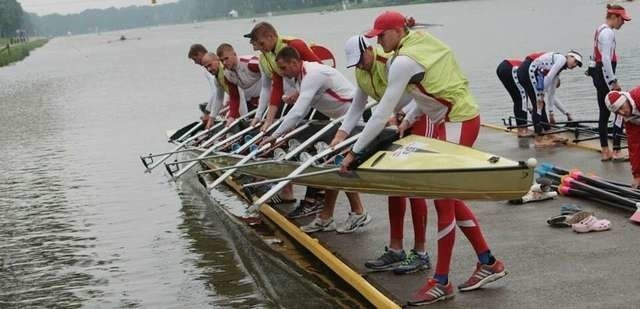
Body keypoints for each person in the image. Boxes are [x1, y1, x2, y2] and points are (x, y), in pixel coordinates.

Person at [339, 11, 507, 305]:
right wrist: (410, 118)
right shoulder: (418, 40)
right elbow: (430, 85)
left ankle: (441, 281)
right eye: (375, 37)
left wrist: (354, 151)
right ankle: (488, 262)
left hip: (459, 119)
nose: (378, 41)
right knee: (450, 200)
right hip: (451, 119)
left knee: (442, 201)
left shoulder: (402, 61)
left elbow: (381, 113)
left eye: (381, 35)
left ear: (396, 31)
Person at [338, 34, 431, 273]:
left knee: (414, 188)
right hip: (395, 122)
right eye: (355, 63)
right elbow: (356, 109)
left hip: (419, 117)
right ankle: (396, 249)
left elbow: (421, 93)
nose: (359, 65)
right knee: (395, 187)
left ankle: (421, 253)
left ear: (369, 49)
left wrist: (403, 115)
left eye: (361, 59)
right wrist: (340, 135)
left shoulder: (392, 62)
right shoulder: (361, 72)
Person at [259, 46, 372, 233]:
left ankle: (357, 212)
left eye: (284, 68)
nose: (282, 73)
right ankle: (327, 217)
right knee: (330, 167)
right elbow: (301, 103)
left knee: (339, 167)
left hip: (357, 116)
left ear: (295, 63)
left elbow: (298, 112)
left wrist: (275, 135)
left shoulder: (313, 74)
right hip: (341, 121)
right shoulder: (300, 77)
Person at [244, 21, 327, 215]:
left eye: (261, 43)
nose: (258, 48)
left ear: (271, 37)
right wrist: (267, 121)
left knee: (312, 149)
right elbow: (276, 89)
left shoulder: (294, 45)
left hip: (321, 102)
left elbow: (320, 71)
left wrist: (299, 95)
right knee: (289, 144)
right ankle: (292, 192)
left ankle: (313, 198)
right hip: (302, 102)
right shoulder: (270, 56)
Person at [589, 4, 631, 161]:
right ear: (614, 17)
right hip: (606, 74)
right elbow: (606, 58)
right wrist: (613, 81)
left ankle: (605, 151)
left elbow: (595, 57)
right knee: (621, 110)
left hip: (599, 73)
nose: (623, 23)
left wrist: (594, 75)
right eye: (622, 19)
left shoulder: (599, 29)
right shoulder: (607, 33)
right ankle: (617, 151)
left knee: (604, 113)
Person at [517, 50, 583, 147]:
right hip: (527, 70)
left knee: (540, 104)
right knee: (538, 104)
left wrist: (551, 113)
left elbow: (552, 92)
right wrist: (542, 93)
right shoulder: (561, 59)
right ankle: (538, 140)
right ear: (569, 56)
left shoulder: (560, 68)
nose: (575, 65)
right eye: (575, 61)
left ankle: (549, 134)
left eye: (577, 65)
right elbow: (548, 77)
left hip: (528, 71)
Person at [199, 52, 251, 128]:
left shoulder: (227, 71)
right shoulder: (217, 78)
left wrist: (244, 119)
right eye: (206, 67)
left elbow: (240, 96)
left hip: (249, 100)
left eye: (210, 65)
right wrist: (212, 118)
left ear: (217, 60)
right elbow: (219, 98)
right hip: (241, 101)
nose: (209, 69)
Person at [216, 43, 262, 123]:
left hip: (269, 96)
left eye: (226, 58)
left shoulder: (251, 63)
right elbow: (234, 97)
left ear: (234, 54)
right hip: (251, 101)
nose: (224, 63)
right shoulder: (226, 73)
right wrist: (232, 117)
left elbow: (275, 74)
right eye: (221, 60)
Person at [605, 89, 640, 187]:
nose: (622, 112)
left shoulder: (638, 96)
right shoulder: (630, 120)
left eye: (621, 107)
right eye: (618, 112)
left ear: (625, 100)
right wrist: (637, 176)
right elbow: (634, 146)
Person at [496, 58, 532, 137]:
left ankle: (521, 129)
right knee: (522, 99)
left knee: (517, 100)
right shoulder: (536, 75)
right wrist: (531, 109)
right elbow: (527, 96)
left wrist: (530, 109)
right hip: (510, 67)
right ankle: (523, 130)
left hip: (502, 68)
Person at [188, 44, 217, 126]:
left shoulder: (209, 68)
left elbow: (216, 92)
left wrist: (207, 112)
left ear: (200, 54)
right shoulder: (210, 65)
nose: (195, 63)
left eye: (195, 59)